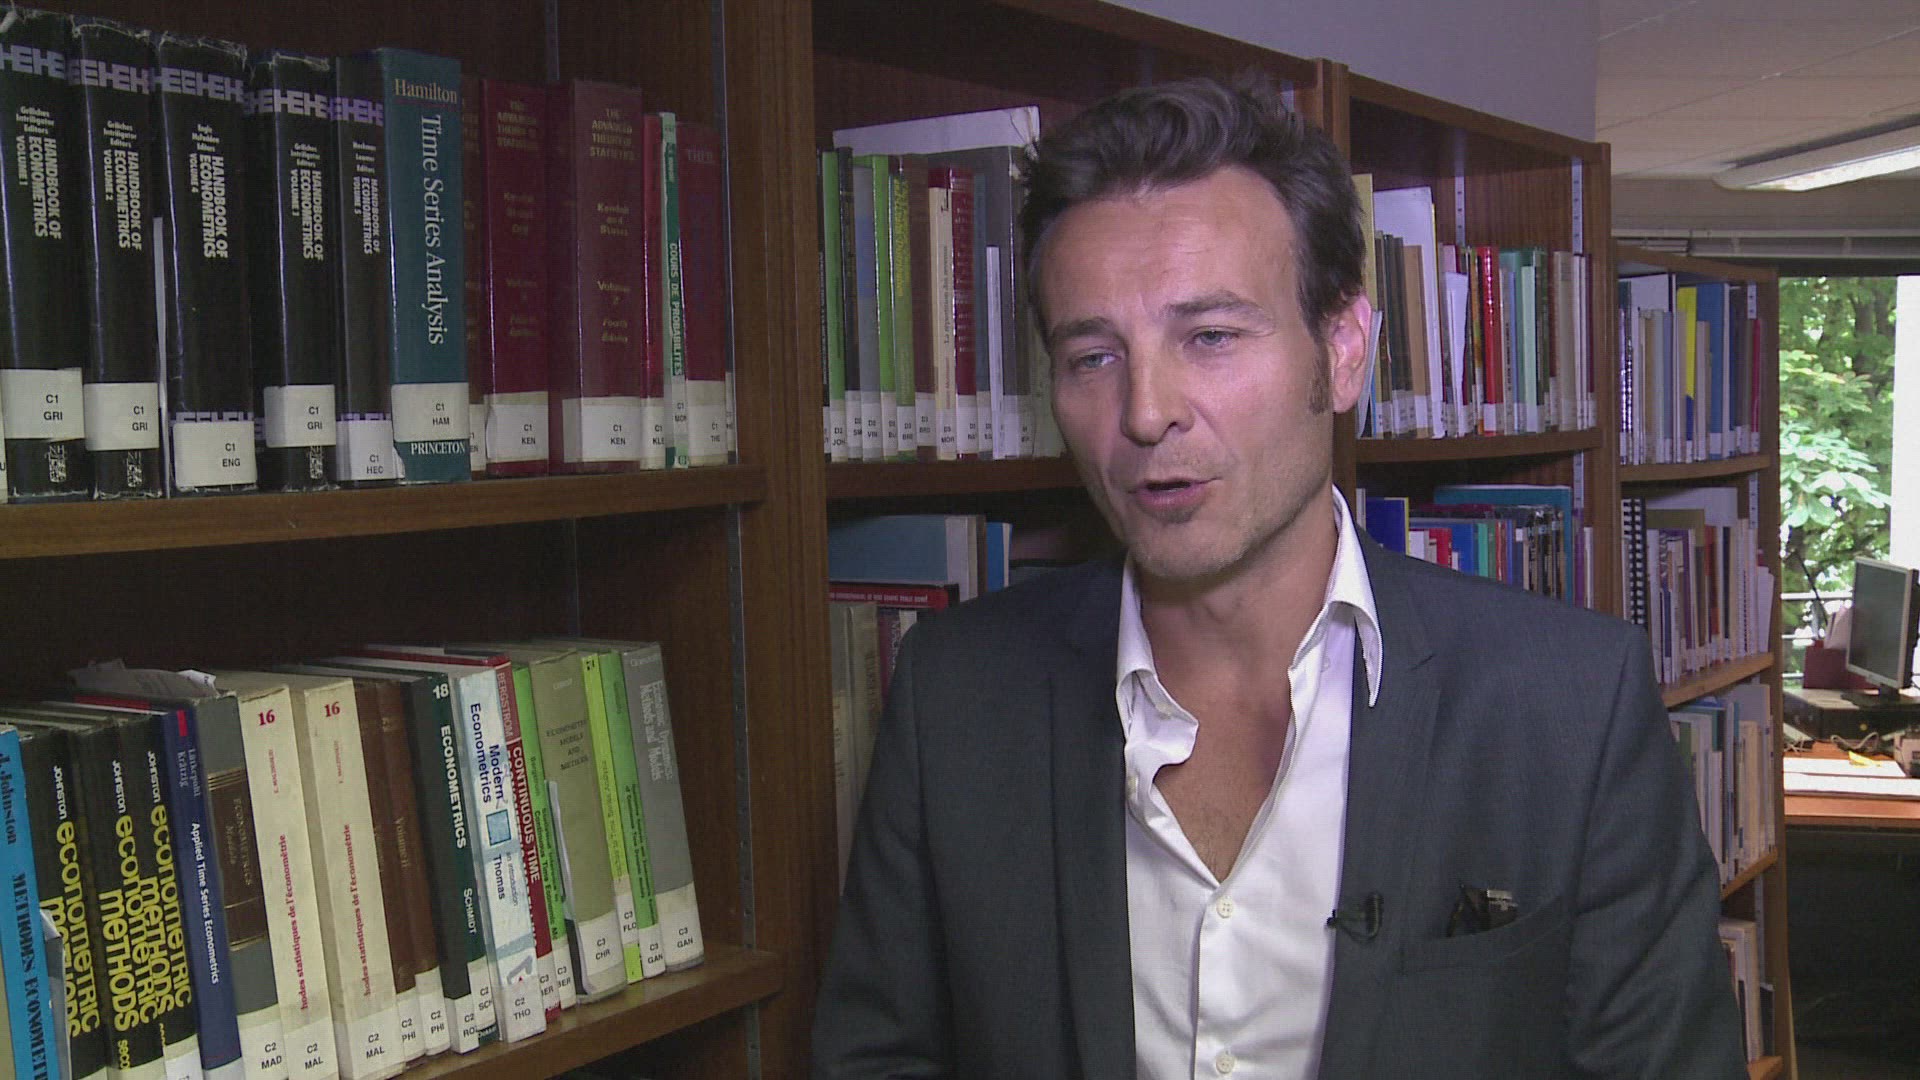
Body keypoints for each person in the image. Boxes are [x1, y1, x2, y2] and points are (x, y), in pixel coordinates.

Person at [812, 75, 1746, 1079]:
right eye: (1092, 357)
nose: (1146, 412)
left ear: (1342, 352)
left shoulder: (1572, 707)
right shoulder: (953, 693)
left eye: (1210, 337)